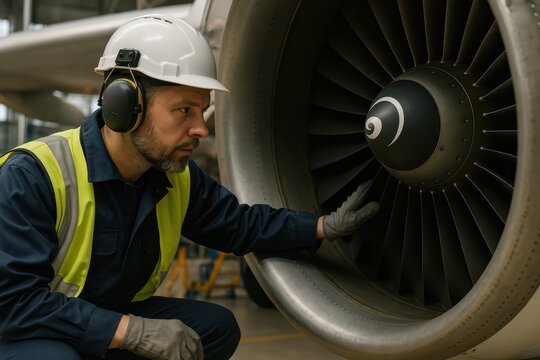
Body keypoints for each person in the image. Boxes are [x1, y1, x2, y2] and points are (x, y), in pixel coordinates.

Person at [0, 14, 379, 360]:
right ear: (124, 106)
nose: (201, 128)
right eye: (184, 110)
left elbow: (239, 225)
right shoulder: (33, 176)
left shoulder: (175, 176)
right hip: (27, 326)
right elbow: (14, 303)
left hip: (101, 319)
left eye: (203, 111)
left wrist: (321, 227)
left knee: (214, 329)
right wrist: (129, 331)